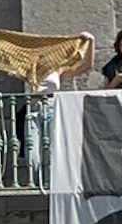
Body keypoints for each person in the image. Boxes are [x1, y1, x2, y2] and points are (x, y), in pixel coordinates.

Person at [24, 32, 94, 185]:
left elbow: (86, 66)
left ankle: (50, 186)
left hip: (51, 109)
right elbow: (9, 57)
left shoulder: (59, 70)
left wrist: (91, 42)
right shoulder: (30, 67)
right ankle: (36, 185)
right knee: (32, 155)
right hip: (33, 110)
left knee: (51, 152)